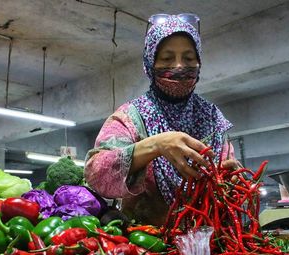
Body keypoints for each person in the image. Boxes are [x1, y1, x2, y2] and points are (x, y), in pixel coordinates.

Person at [85, 14, 239, 226]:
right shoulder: (130, 116)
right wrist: (156, 145)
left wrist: (234, 182)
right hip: (147, 247)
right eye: (167, 59)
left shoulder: (212, 118)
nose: (178, 66)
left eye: (188, 58)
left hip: (208, 245)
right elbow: (97, 175)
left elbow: (230, 183)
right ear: (150, 62)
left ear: (199, 61)